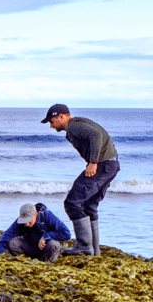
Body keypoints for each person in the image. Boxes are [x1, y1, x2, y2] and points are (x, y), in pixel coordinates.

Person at [42, 104, 120, 256]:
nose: (51, 126)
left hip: (103, 164)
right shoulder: (78, 123)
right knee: (89, 205)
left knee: (72, 203)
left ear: (61, 117)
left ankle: (84, 247)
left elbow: (96, 135)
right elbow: (99, 135)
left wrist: (93, 162)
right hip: (111, 164)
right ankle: (94, 250)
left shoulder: (74, 126)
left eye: (51, 121)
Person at [0, 203, 71, 262]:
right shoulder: (21, 221)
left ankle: (44, 262)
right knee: (12, 243)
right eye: (24, 221)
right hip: (31, 247)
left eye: (29, 221)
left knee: (53, 244)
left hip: (46, 248)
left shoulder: (48, 217)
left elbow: (66, 234)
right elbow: (6, 236)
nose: (26, 224)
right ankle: (27, 261)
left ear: (35, 214)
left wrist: (46, 236)